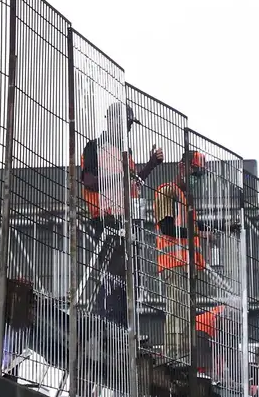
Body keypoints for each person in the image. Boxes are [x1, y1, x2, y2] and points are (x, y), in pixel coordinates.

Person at [77, 101, 164, 327]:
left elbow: (132, 182)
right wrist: (120, 178)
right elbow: (87, 181)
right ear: (114, 121)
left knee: (130, 278)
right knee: (113, 275)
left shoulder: (126, 154)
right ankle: (107, 325)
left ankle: (123, 330)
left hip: (125, 221)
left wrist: (152, 164)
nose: (128, 129)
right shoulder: (94, 147)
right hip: (105, 219)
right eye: (126, 123)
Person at [154, 149, 209, 362]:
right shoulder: (168, 191)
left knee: (187, 319)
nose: (196, 180)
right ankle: (175, 359)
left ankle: (185, 361)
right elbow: (167, 227)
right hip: (175, 265)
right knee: (178, 317)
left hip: (187, 267)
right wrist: (199, 232)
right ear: (182, 167)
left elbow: (193, 226)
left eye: (199, 176)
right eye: (194, 173)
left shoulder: (186, 200)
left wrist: (218, 227)